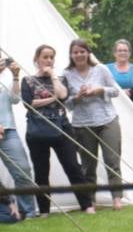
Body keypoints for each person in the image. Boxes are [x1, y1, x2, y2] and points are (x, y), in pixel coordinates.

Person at [21, 44, 95, 215]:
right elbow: (28, 103)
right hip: (37, 131)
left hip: (62, 129)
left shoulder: (61, 79)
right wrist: (51, 99)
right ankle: (44, 210)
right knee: (41, 172)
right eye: (44, 57)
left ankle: (87, 205)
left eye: (51, 57)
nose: (48, 60)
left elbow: (63, 96)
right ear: (36, 59)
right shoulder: (28, 80)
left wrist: (53, 76)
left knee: (73, 167)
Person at [63, 39, 124, 209]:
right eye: (75, 52)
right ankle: (90, 200)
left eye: (82, 51)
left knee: (112, 160)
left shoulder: (101, 69)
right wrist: (77, 97)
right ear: (71, 55)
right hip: (82, 124)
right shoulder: (66, 74)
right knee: (88, 165)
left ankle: (117, 198)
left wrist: (100, 90)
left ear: (88, 53)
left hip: (107, 119)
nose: (79, 55)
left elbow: (115, 91)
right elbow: (65, 103)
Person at [0, 56, 39, 220]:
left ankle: (28, 212)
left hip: (8, 130)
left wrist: (15, 76)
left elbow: (15, 100)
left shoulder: (4, 81)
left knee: (23, 170)